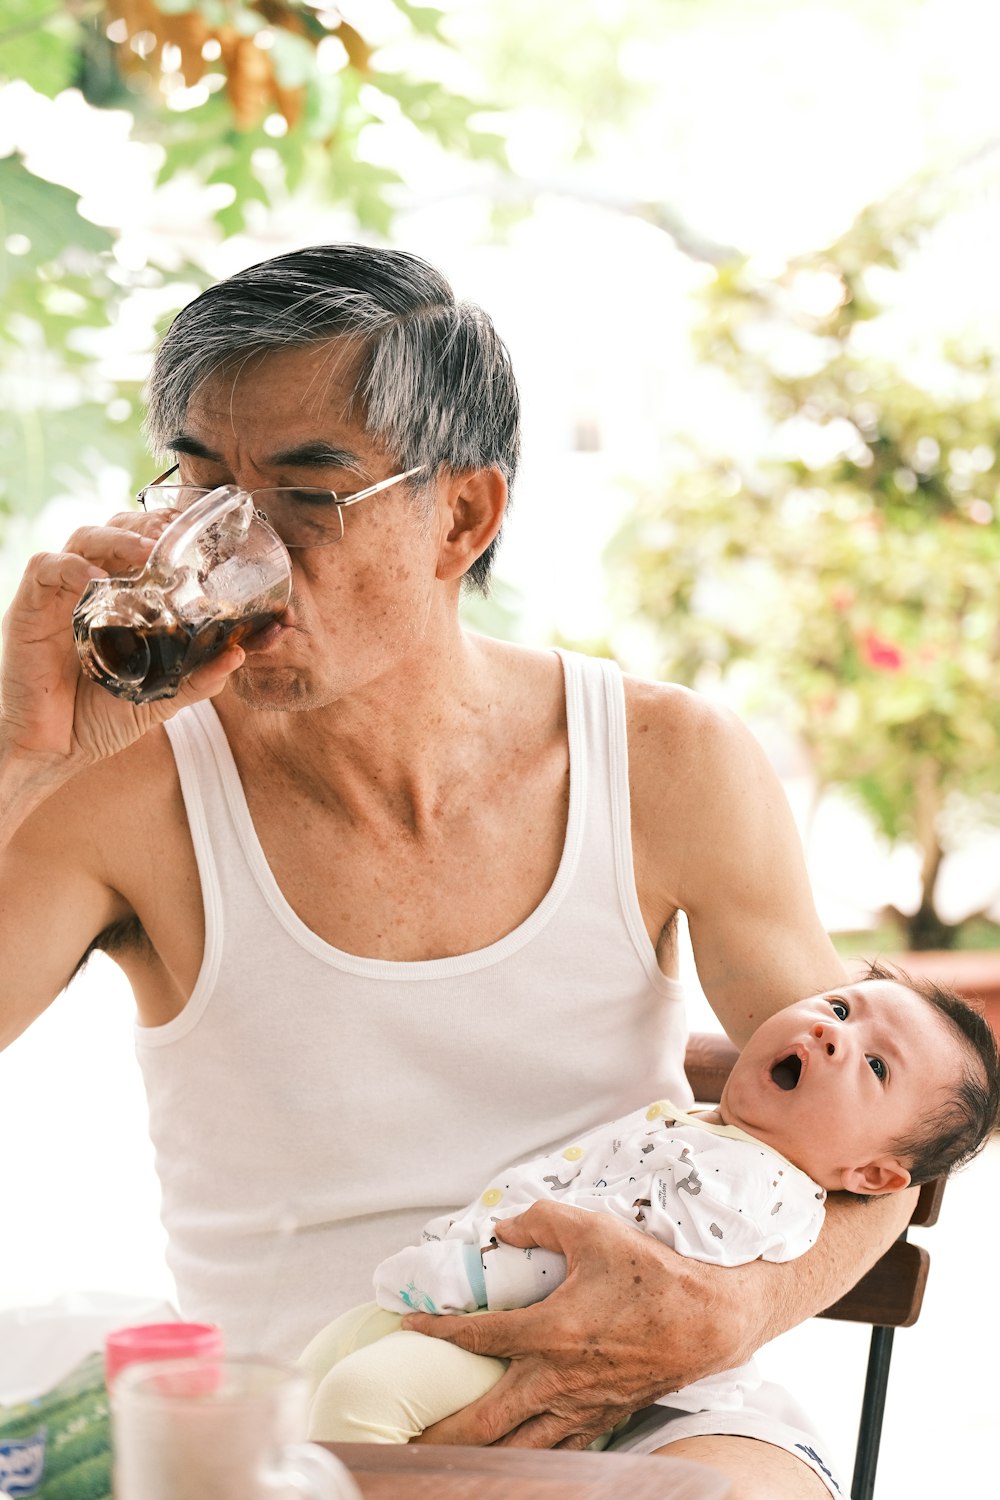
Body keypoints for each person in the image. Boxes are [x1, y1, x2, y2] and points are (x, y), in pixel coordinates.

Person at [0, 243, 926, 1498]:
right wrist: (19, 761)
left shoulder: (661, 760)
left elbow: (879, 1152)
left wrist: (721, 1319)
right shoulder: (122, 786)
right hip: (302, 1432)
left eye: (305, 494)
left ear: (465, 516)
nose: (230, 545)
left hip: (648, 1405)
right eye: (198, 483)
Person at [299, 967, 1000, 1448]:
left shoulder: (760, 1192)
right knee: (311, 1369)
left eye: (877, 1066)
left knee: (360, 1400)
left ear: (873, 1175)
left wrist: (473, 1277)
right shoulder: (698, 1129)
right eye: (841, 1008)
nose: (832, 1032)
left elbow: (622, 1281)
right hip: (471, 1306)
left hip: (543, 1350)